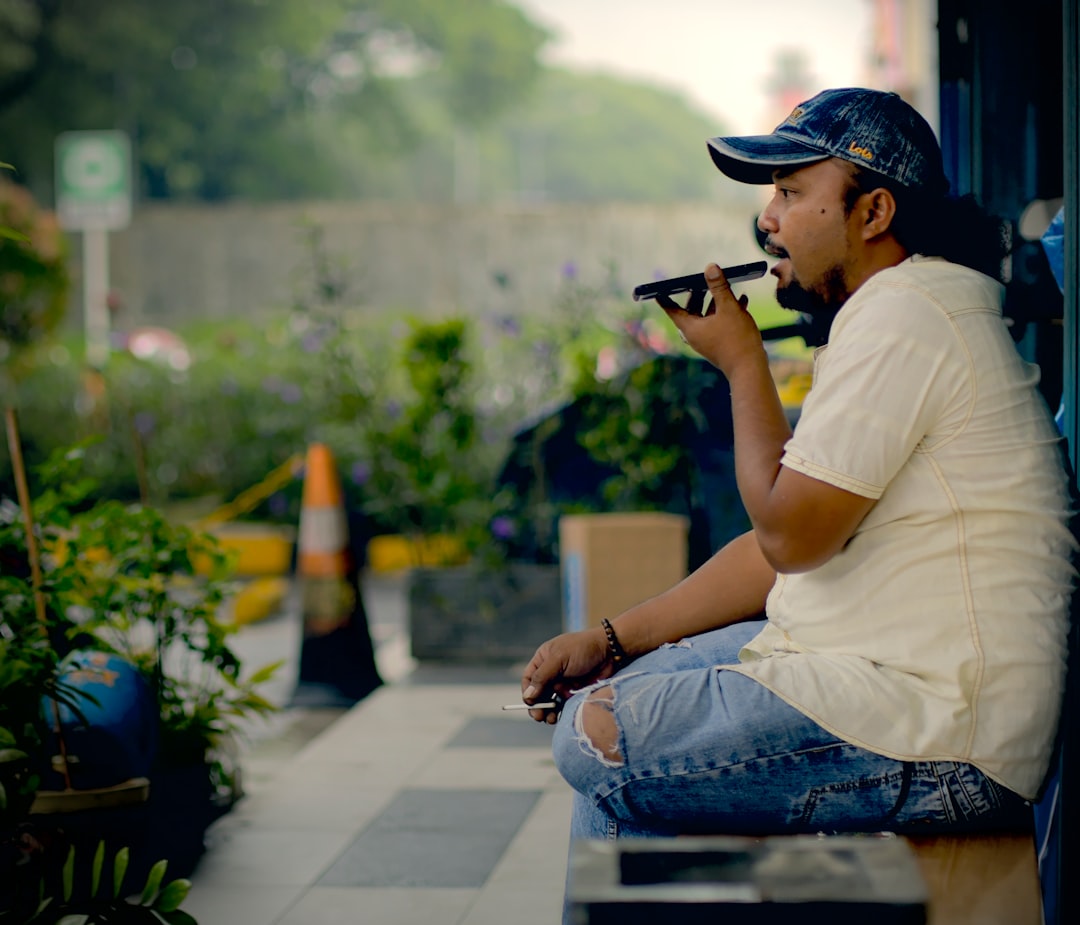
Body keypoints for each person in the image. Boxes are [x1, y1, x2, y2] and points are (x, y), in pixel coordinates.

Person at [519, 87, 1077, 896]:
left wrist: (744, 365)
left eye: (789, 192)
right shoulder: (894, 310)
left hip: (944, 731)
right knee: (614, 705)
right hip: (883, 680)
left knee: (599, 737)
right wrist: (611, 638)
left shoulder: (908, 315)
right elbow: (783, 554)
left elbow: (789, 537)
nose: (766, 221)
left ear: (873, 211)